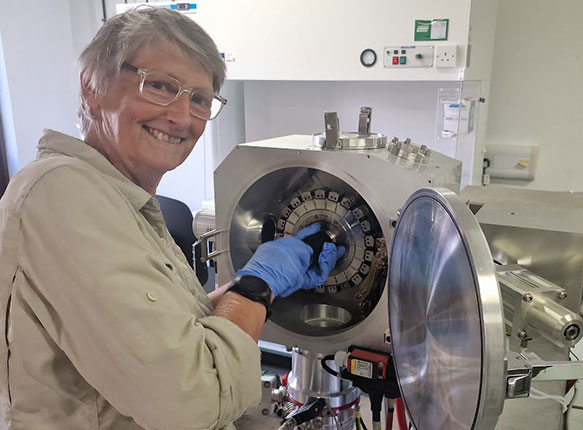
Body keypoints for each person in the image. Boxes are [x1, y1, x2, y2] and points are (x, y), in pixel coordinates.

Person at [0, 8, 344, 430]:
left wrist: (254, 288)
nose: (182, 117)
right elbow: (193, 401)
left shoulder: (123, 200)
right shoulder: (62, 194)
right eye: (160, 86)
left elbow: (170, 333)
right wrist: (258, 286)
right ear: (93, 88)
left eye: (200, 99)